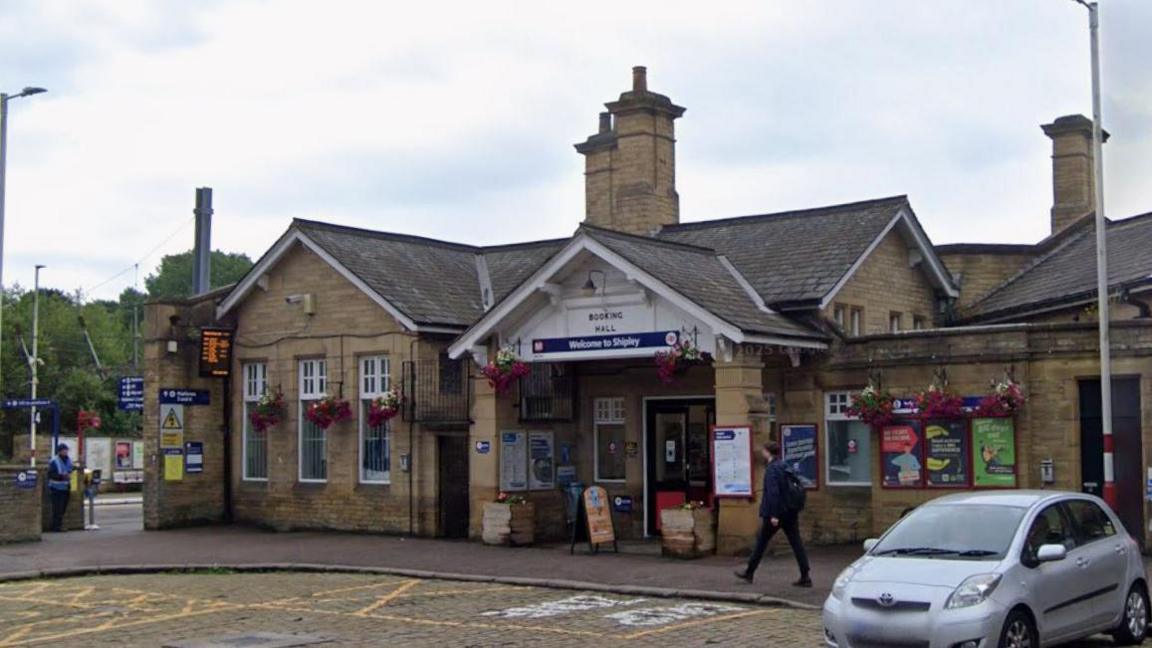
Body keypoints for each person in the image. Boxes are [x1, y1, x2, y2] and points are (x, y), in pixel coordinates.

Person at [734, 441, 811, 587]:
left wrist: (774, 515)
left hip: (776, 513)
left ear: (767, 452)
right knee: (796, 543)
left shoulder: (772, 469)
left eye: (763, 451)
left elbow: (774, 493)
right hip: (790, 511)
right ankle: (805, 575)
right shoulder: (784, 466)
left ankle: (749, 572)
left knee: (761, 542)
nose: (762, 453)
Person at [47, 443, 74, 532]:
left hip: (66, 487)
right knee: (57, 508)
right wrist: (62, 476)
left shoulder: (69, 460)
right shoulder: (54, 461)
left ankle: (59, 525)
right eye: (64, 450)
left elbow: (71, 469)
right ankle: (56, 527)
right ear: (59, 451)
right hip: (55, 488)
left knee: (63, 508)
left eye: (66, 450)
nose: (66, 452)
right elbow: (51, 474)